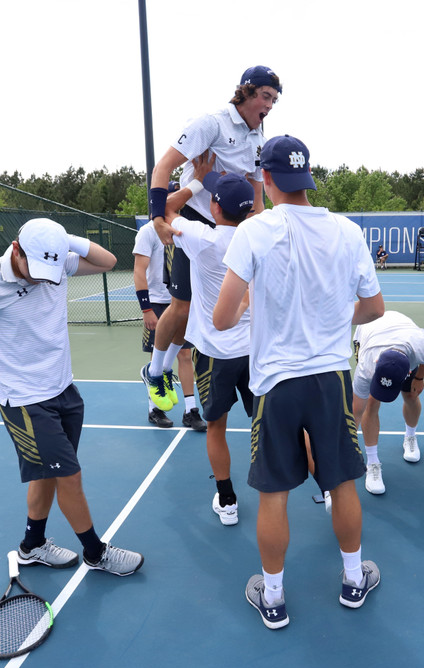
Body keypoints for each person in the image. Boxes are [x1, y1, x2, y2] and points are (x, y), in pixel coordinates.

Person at [214, 135, 385, 629]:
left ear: (265, 180)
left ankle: (273, 597)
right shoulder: (347, 232)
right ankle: (354, 579)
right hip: (330, 377)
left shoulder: (254, 231)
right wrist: (331, 317)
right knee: (341, 483)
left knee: (274, 494)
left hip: (275, 382)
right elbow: (373, 309)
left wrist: (254, 307)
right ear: (308, 177)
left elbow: (223, 319)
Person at [0, 218, 144, 576]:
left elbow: (107, 262)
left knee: (46, 475)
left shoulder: (56, 261)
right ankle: (96, 552)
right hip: (24, 401)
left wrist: (64, 239)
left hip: (63, 389)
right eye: (36, 268)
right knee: (68, 477)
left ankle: (32, 546)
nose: (44, 277)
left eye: (50, 269)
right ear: (16, 249)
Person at [141, 66, 281, 413]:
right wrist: (158, 218)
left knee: (204, 313)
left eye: (275, 100)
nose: (270, 105)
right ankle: (156, 371)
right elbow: (163, 169)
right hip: (194, 220)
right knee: (183, 307)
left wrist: (258, 229)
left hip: (233, 227)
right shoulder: (210, 123)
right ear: (246, 92)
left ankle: (168, 368)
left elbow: (257, 193)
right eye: (266, 96)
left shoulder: (258, 136)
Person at [160, 169, 255, 526]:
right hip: (253, 350)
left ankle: (227, 501)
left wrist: (197, 179)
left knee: (216, 427)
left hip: (215, 353)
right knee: (272, 424)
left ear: (214, 208)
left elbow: (166, 207)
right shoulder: (258, 237)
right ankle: (322, 487)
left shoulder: (202, 237)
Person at [132, 213, 206, 431]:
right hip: (158, 302)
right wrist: (146, 308)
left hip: (181, 300)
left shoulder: (185, 229)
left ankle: (190, 410)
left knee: (185, 355)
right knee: (158, 354)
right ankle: (155, 409)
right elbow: (139, 270)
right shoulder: (148, 232)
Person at [351, 311, 424, 495]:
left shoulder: (420, 345)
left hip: (403, 335)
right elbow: (356, 410)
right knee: (371, 404)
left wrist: (420, 377)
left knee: (411, 396)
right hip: (370, 330)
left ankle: (410, 436)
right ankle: (373, 463)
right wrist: (347, 445)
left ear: (407, 373)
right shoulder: (367, 366)